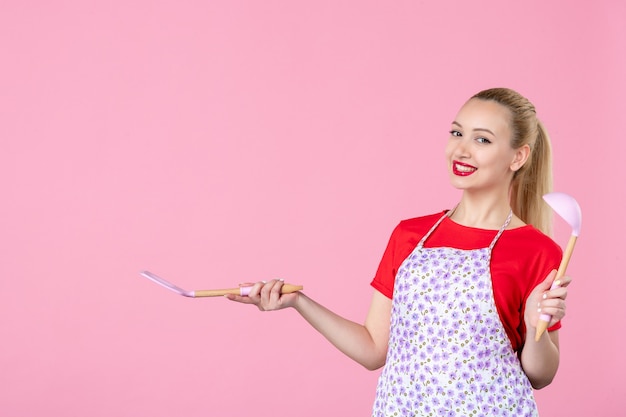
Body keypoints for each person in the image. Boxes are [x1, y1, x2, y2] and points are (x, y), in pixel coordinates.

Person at [226, 87, 570, 416]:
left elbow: (541, 375)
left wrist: (533, 325)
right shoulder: (409, 235)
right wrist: (298, 302)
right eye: (456, 133)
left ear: (518, 156)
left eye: (482, 139)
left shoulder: (538, 251)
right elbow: (374, 348)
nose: (461, 150)